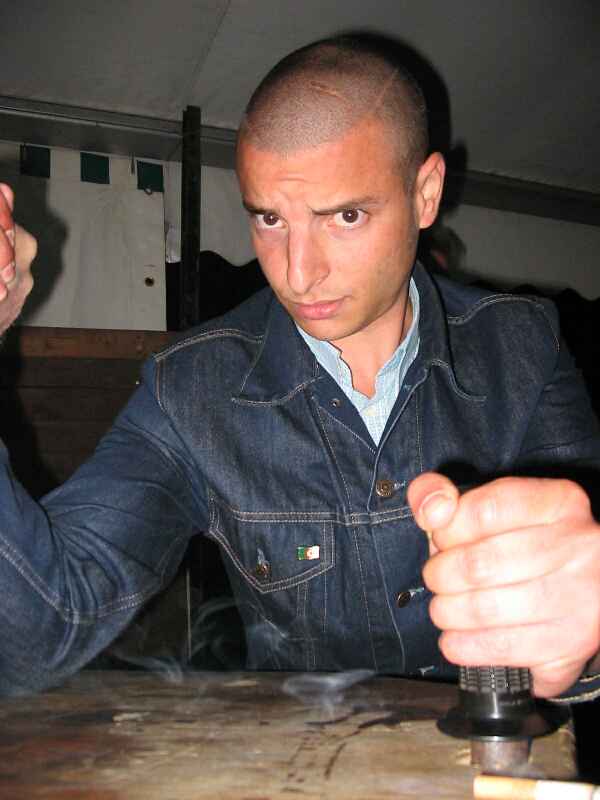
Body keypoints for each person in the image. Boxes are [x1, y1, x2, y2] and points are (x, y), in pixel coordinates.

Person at [0, 35, 599, 701]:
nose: (297, 272)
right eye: (269, 219)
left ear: (426, 194)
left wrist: (586, 631)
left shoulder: (523, 345)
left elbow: (582, 582)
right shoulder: (191, 389)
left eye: (345, 216)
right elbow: (42, 632)